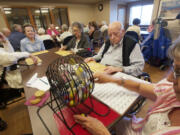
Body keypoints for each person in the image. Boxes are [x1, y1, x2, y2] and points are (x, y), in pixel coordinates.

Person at [74, 42, 180, 135]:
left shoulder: (131, 45)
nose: (169, 78)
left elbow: (137, 67)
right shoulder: (170, 91)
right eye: (173, 68)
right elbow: (139, 86)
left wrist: (102, 132)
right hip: (138, 128)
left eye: (178, 72)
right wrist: (111, 79)